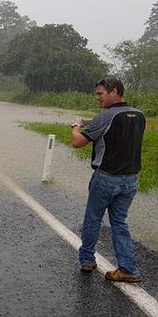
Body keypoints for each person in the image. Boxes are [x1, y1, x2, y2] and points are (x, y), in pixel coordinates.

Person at [71, 77, 146, 283]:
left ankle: (87, 259)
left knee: (93, 219)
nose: (97, 98)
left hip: (106, 179)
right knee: (120, 223)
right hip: (130, 181)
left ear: (114, 91)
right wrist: (90, 122)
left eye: (100, 93)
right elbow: (112, 125)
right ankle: (128, 268)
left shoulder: (106, 116)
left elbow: (78, 143)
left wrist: (76, 127)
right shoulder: (139, 115)